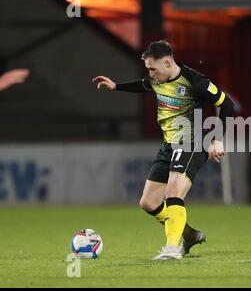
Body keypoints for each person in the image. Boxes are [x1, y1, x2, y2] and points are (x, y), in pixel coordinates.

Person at [93, 40, 234, 260]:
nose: (150, 73)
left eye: (152, 68)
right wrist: (117, 86)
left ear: (167, 62)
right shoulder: (157, 79)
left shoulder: (195, 82)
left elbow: (226, 104)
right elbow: (143, 85)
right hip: (168, 145)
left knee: (172, 193)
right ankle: (189, 234)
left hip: (191, 142)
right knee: (148, 203)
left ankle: (171, 250)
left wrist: (217, 139)